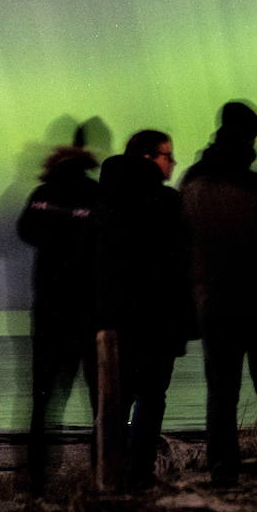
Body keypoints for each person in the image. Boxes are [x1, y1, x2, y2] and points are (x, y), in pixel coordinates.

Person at [180, 101, 257, 487]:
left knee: (221, 393)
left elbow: (180, 244)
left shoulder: (190, 183)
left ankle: (223, 469)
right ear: (250, 138)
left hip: (212, 304)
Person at [96, 129, 195, 490]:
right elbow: (181, 259)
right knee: (151, 395)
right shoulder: (166, 202)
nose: (173, 163)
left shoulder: (101, 201)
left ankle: (108, 475)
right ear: (148, 158)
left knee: (114, 399)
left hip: (110, 316)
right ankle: (138, 475)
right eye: (168, 156)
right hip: (157, 317)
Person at [16, 136, 100, 495]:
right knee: (102, 401)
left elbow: (24, 232)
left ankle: (36, 480)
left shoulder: (41, 195)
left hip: (49, 312)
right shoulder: (96, 194)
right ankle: (105, 473)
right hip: (90, 310)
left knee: (43, 402)